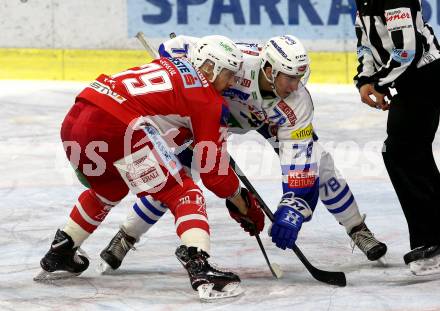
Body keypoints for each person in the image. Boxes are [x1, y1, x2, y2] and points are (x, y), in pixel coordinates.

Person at [98, 34, 388, 273]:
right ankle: (127, 235)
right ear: (269, 70)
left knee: (321, 164)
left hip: (269, 123)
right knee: (176, 175)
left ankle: (357, 229)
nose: (295, 85)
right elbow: (172, 47)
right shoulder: (236, 60)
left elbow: (299, 164)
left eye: (299, 77)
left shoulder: (297, 103)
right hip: (210, 120)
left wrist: (293, 210)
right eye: (288, 77)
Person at [34, 35, 266, 300]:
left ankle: (62, 250)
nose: (232, 82)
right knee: (184, 192)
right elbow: (213, 174)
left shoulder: (174, 63)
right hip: (118, 127)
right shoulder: (209, 99)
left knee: (108, 188)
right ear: (209, 67)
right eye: (228, 74)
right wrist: (241, 198)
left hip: (78, 117)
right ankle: (199, 266)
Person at [354, 0, 440, 276]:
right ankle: (433, 239)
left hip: (426, 76)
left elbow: (407, 50)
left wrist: (379, 82)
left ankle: (432, 241)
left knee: (402, 154)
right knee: (411, 156)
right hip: (410, 81)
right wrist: (366, 79)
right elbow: (366, 43)